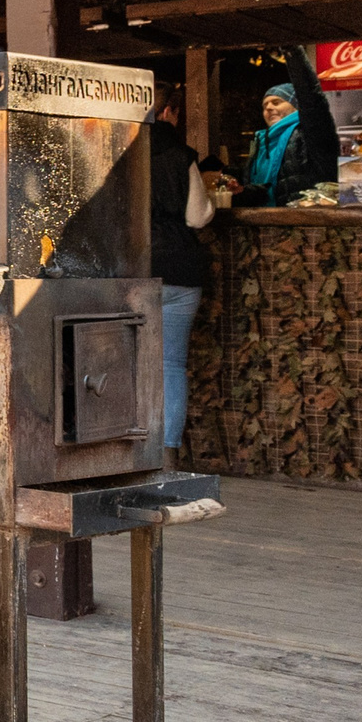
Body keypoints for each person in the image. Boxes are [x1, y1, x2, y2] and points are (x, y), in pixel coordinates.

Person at [149, 92, 215, 461]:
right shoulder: (180, 154)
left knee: (125, 361)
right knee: (171, 365)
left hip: (134, 271)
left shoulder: (115, 148)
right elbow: (197, 216)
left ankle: (126, 449)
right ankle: (167, 455)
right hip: (180, 270)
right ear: (169, 112)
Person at [234, 46, 340, 206]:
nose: (269, 108)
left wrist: (293, 51)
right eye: (264, 106)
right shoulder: (260, 141)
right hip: (264, 224)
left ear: (296, 106)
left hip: (306, 225)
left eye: (277, 102)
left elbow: (312, 99)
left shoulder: (309, 133)